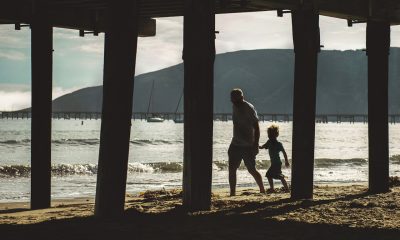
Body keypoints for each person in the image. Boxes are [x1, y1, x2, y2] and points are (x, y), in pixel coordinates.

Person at [228, 88, 265, 196]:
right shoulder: (234, 105)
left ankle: (262, 189)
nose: (235, 103)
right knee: (231, 169)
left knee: (251, 169)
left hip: (248, 145)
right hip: (235, 143)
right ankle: (232, 193)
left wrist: (255, 145)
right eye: (233, 100)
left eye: (237, 100)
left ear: (242, 98)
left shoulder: (249, 108)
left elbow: (257, 128)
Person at [259, 124, 290, 193]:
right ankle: (277, 188)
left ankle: (280, 189)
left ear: (276, 135)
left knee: (270, 175)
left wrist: (286, 161)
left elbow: (284, 152)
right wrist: (256, 146)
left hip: (277, 163)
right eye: (269, 135)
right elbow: (262, 147)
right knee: (274, 175)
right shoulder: (269, 142)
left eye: (271, 135)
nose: (269, 136)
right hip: (274, 163)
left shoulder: (278, 144)